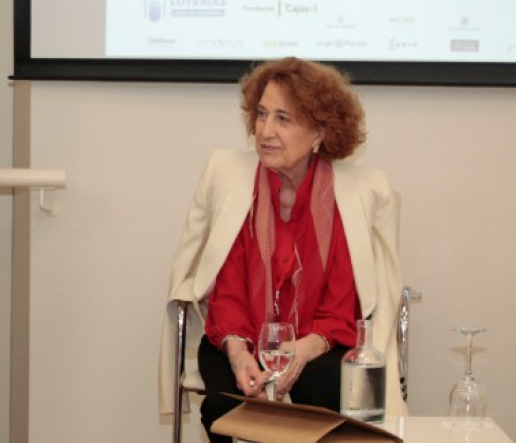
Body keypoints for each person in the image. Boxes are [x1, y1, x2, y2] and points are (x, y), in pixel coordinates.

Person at [157, 57, 407, 442]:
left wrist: (300, 352)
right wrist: (241, 356)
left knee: (320, 391)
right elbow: (226, 294)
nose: (265, 131)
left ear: (319, 132)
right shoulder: (237, 186)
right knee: (224, 406)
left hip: (314, 342)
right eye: (261, 115)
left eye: (283, 119)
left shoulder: (346, 199)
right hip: (238, 337)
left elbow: (340, 308)